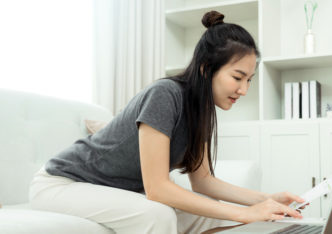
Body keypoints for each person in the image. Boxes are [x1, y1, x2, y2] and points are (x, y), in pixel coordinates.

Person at [29, 11, 305, 234]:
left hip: (108, 190)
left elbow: (204, 182)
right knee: (158, 215)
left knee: (208, 215)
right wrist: (245, 212)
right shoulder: (165, 95)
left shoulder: (203, 111)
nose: (244, 90)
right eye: (237, 77)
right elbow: (157, 188)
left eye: (249, 80)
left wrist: (265, 200)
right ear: (206, 68)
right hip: (61, 184)